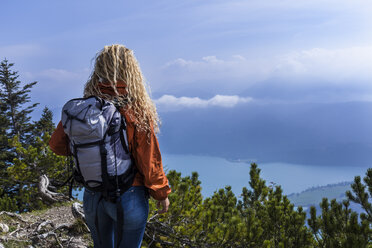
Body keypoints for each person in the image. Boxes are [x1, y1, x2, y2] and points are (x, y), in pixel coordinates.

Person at [49, 44, 171, 248]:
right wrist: (161, 194)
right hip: (129, 196)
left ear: (98, 70)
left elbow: (57, 146)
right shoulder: (136, 109)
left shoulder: (85, 108)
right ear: (131, 71)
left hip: (93, 197)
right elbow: (149, 160)